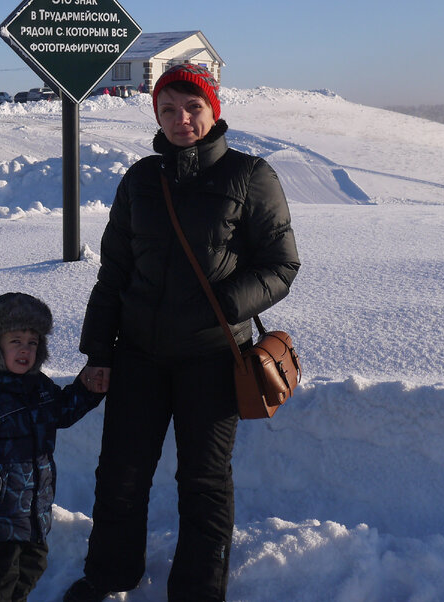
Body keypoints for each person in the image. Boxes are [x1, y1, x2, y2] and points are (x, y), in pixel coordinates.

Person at [64, 63, 300, 602]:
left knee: (204, 482)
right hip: (140, 356)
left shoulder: (250, 176)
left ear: (213, 110)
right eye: (168, 109)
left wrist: (219, 303)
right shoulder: (141, 180)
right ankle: (110, 573)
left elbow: (281, 265)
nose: (181, 119)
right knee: (121, 475)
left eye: (192, 107)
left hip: (214, 357)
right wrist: (99, 350)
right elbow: (114, 272)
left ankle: (197, 590)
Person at [0, 293, 104, 602]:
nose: (26, 350)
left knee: (25, 576)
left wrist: (86, 388)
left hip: (30, 519)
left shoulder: (37, 387)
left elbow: (61, 410)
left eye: (32, 342)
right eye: (16, 341)